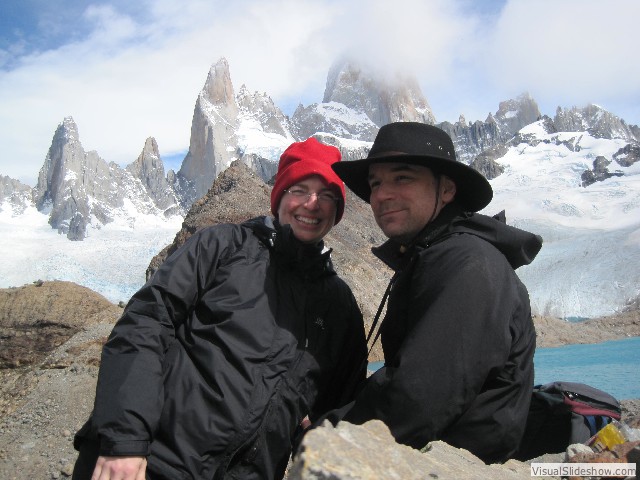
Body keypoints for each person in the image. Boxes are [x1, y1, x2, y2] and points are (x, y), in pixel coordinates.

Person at [72, 138, 367, 480]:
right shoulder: (223, 246)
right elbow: (144, 325)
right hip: (150, 464)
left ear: (337, 210)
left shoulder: (339, 304)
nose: (312, 204)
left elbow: (340, 408)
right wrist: (126, 441)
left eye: (328, 195)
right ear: (280, 196)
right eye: (300, 189)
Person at [325, 122, 543, 464]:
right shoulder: (437, 256)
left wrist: (326, 433)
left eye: (403, 178)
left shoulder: (466, 263)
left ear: (447, 190)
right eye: (376, 183)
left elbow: (418, 397)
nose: (381, 195)